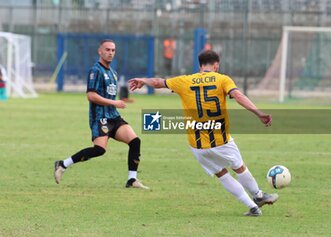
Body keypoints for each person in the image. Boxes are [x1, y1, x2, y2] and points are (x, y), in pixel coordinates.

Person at [129, 50, 278, 216]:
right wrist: (259, 113)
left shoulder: (184, 80)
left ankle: (253, 207)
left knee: (221, 174)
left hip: (197, 145)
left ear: (200, 66)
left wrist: (143, 80)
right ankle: (257, 195)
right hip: (221, 140)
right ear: (216, 65)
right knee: (239, 167)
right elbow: (237, 95)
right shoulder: (222, 79)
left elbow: (157, 82)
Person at [54, 39, 149, 189]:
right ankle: (63, 164)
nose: (110, 53)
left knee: (135, 141)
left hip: (114, 117)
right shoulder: (95, 70)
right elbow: (91, 95)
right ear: (100, 51)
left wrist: (119, 101)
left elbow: (108, 95)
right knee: (99, 150)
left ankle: (132, 180)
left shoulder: (113, 73)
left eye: (113, 50)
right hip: (100, 118)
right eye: (107, 50)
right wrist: (114, 103)